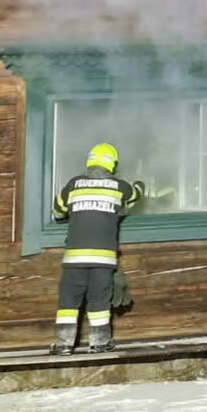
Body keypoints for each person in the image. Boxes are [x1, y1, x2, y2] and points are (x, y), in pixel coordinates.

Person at [50, 143, 144, 354]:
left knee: (68, 302)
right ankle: (100, 343)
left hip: (74, 259)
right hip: (103, 259)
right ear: (112, 165)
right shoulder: (120, 187)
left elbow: (58, 211)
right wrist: (139, 184)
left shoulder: (74, 185)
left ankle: (63, 344)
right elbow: (136, 196)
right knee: (99, 301)